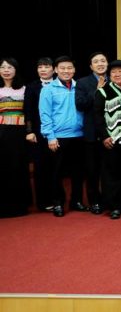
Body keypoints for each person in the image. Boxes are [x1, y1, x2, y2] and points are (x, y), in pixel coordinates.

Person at [39, 56, 85, 217]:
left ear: (74, 70)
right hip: (58, 137)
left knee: (78, 172)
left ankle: (76, 201)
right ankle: (58, 202)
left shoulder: (80, 87)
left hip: (79, 135)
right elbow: (45, 114)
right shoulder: (48, 89)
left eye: (69, 68)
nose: (66, 71)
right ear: (56, 70)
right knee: (57, 172)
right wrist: (50, 136)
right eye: (62, 68)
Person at [94, 60, 121, 220]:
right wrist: (104, 136)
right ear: (109, 75)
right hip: (112, 138)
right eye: (113, 72)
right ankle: (114, 206)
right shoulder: (103, 92)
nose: (117, 74)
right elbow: (97, 116)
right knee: (111, 174)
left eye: (120, 71)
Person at [75, 51, 109, 215]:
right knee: (92, 170)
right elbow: (80, 104)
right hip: (92, 132)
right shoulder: (82, 82)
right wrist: (97, 90)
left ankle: (110, 200)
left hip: (112, 132)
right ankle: (95, 201)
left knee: (110, 169)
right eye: (96, 61)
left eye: (103, 61)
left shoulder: (114, 79)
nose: (100, 64)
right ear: (91, 66)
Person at [0, 57, 31, 217]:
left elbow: (29, 113)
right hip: (1, 132)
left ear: (16, 70)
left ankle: (19, 205)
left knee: (18, 167)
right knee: (3, 167)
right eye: (3, 67)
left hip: (19, 134)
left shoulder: (25, 89)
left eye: (10, 67)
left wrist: (29, 131)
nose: (6, 70)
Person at [24, 57, 55, 212]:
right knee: (41, 167)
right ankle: (43, 202)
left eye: (46, 66)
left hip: (58, 130)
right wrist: (29, 131)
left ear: (54, 69)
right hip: (38, 131)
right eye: (40, 67)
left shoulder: (60, 84)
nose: (43, 69)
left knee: (55, 166)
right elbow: (28, 110)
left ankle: (57, 199)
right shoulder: (32, 87)